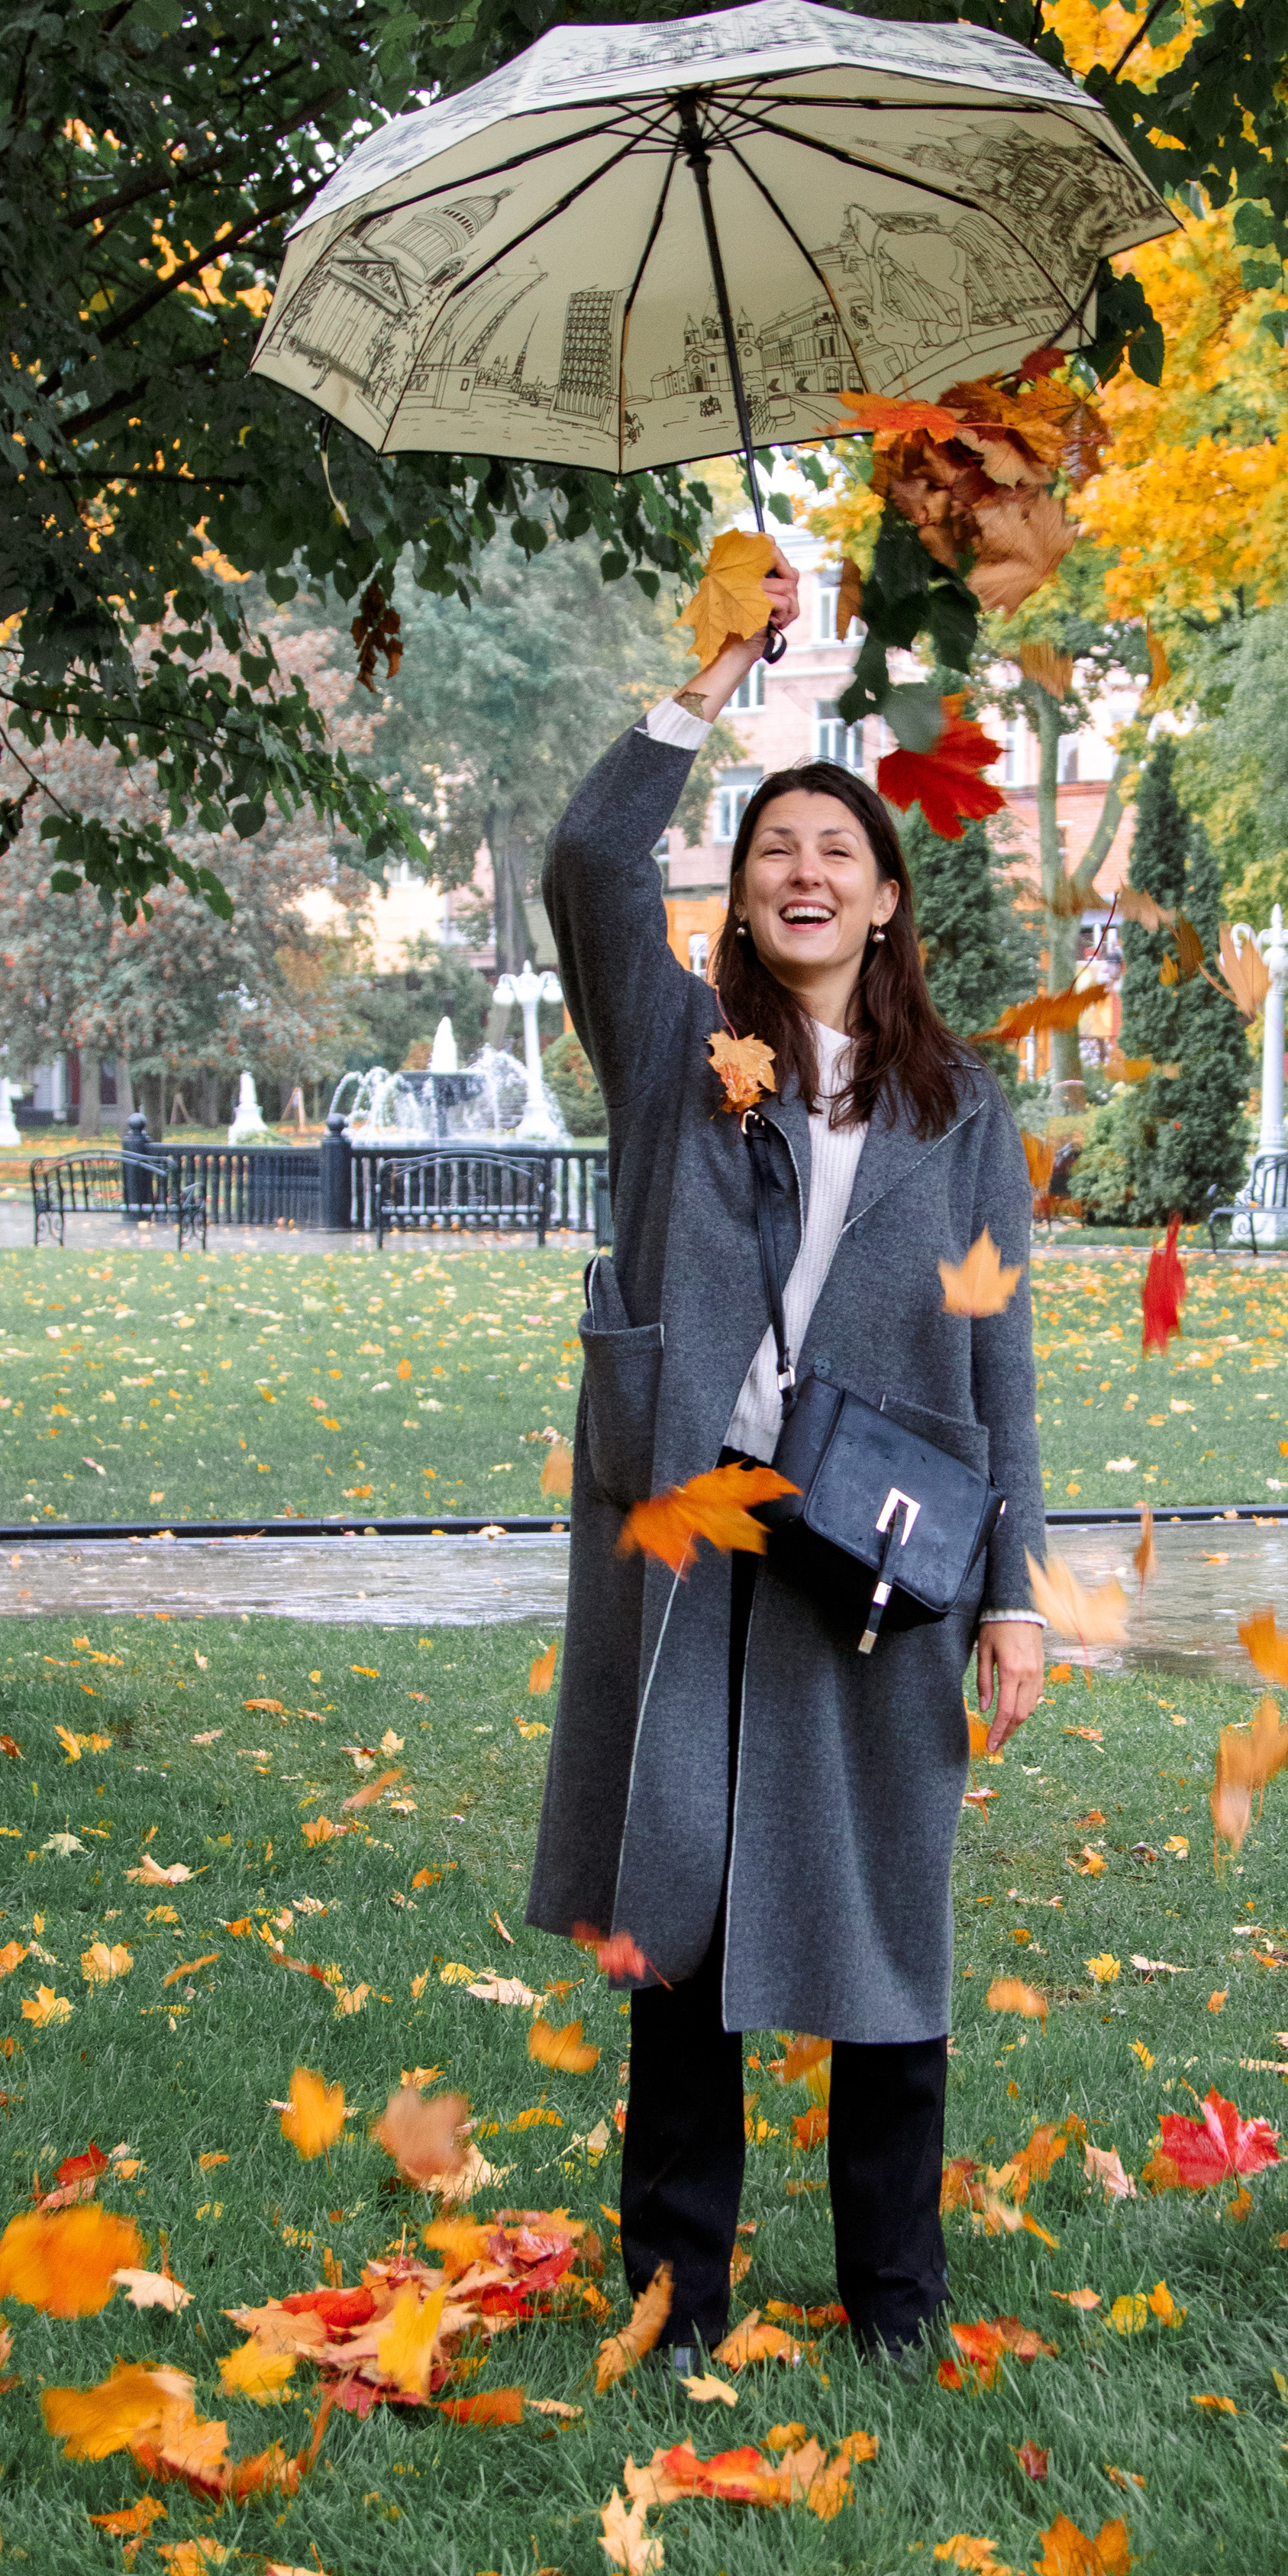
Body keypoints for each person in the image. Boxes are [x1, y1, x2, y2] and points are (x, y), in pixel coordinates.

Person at [527, 548, 1045, 2366]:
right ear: (738, 895)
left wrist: (1016, 1600)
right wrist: (710, 680)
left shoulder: (959, 1114)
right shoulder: (675, 1049)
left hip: (881, 1550)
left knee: (884, 1937)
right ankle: (674, 2303)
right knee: (683, 1925)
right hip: (699, 1536)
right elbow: (591, 867)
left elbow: (1001, 1370)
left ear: (890, 901)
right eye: (772, 850)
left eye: (838, 851)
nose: (805, 870)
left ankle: (895, 2306)